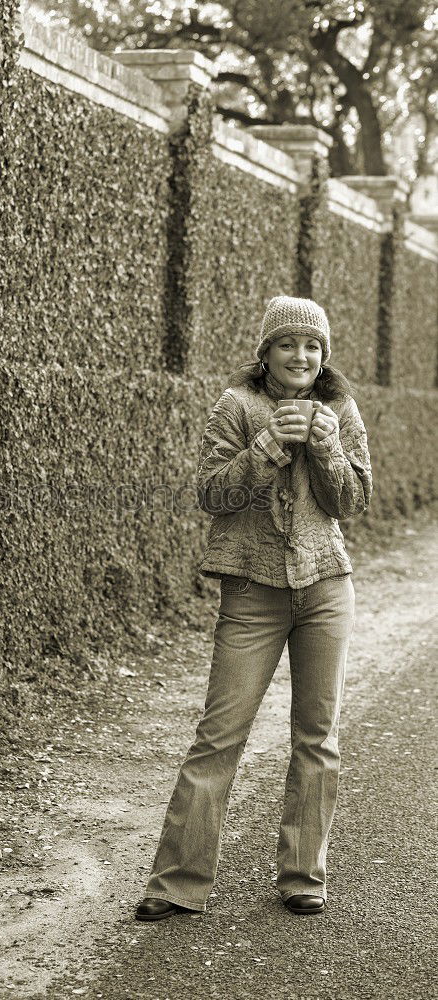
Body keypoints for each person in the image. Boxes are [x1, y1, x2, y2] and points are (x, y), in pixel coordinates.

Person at [135, 295, 373, 921]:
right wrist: (268, 446)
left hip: (325, 588)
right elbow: (212, 493)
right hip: (251, 592)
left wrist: (324, 448)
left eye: (313, 347)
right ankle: (176, 884)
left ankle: (302, 877)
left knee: (317, 737)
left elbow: (351, 502)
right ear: (265, 352)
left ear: (324, 357)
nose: (301, 356)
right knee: (219, 736)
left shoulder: (341, 409)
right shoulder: (236, 407)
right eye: (288, 344)